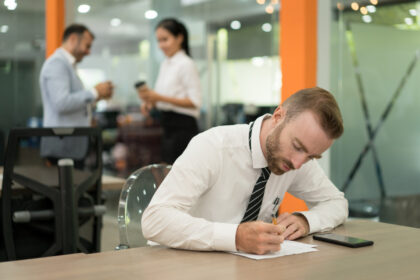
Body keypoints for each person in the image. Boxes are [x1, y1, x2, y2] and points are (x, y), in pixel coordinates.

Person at [142, 87, 348, 255]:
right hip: (179, 264)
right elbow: (155, 220)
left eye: (311, 156)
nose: (298, 163)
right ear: (278, 116)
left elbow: (337, 203)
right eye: (297, 146)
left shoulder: (298, 159)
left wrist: (306, 221)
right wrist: (235, 237)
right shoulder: (213, 147)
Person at [39, 24, 113, 161]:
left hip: (70, 145)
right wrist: (94, 92)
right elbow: (61, 103)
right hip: (62, 145)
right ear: (73, 39)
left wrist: (97, 98)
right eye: (87, 46)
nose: (88, 52)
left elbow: (71, 103)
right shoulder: (57, 64)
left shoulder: (68, 66)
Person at [137, 18, 201, 164]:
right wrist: (150, 102)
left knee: (180, 174)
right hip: (167, 126)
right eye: (158, 41)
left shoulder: (186, 64)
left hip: (183, 128)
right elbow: (163, 98)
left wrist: (158, 97)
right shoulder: (165, 64)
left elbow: (195, 102)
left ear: (179, 38)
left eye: (165, 39)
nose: (161, 45)